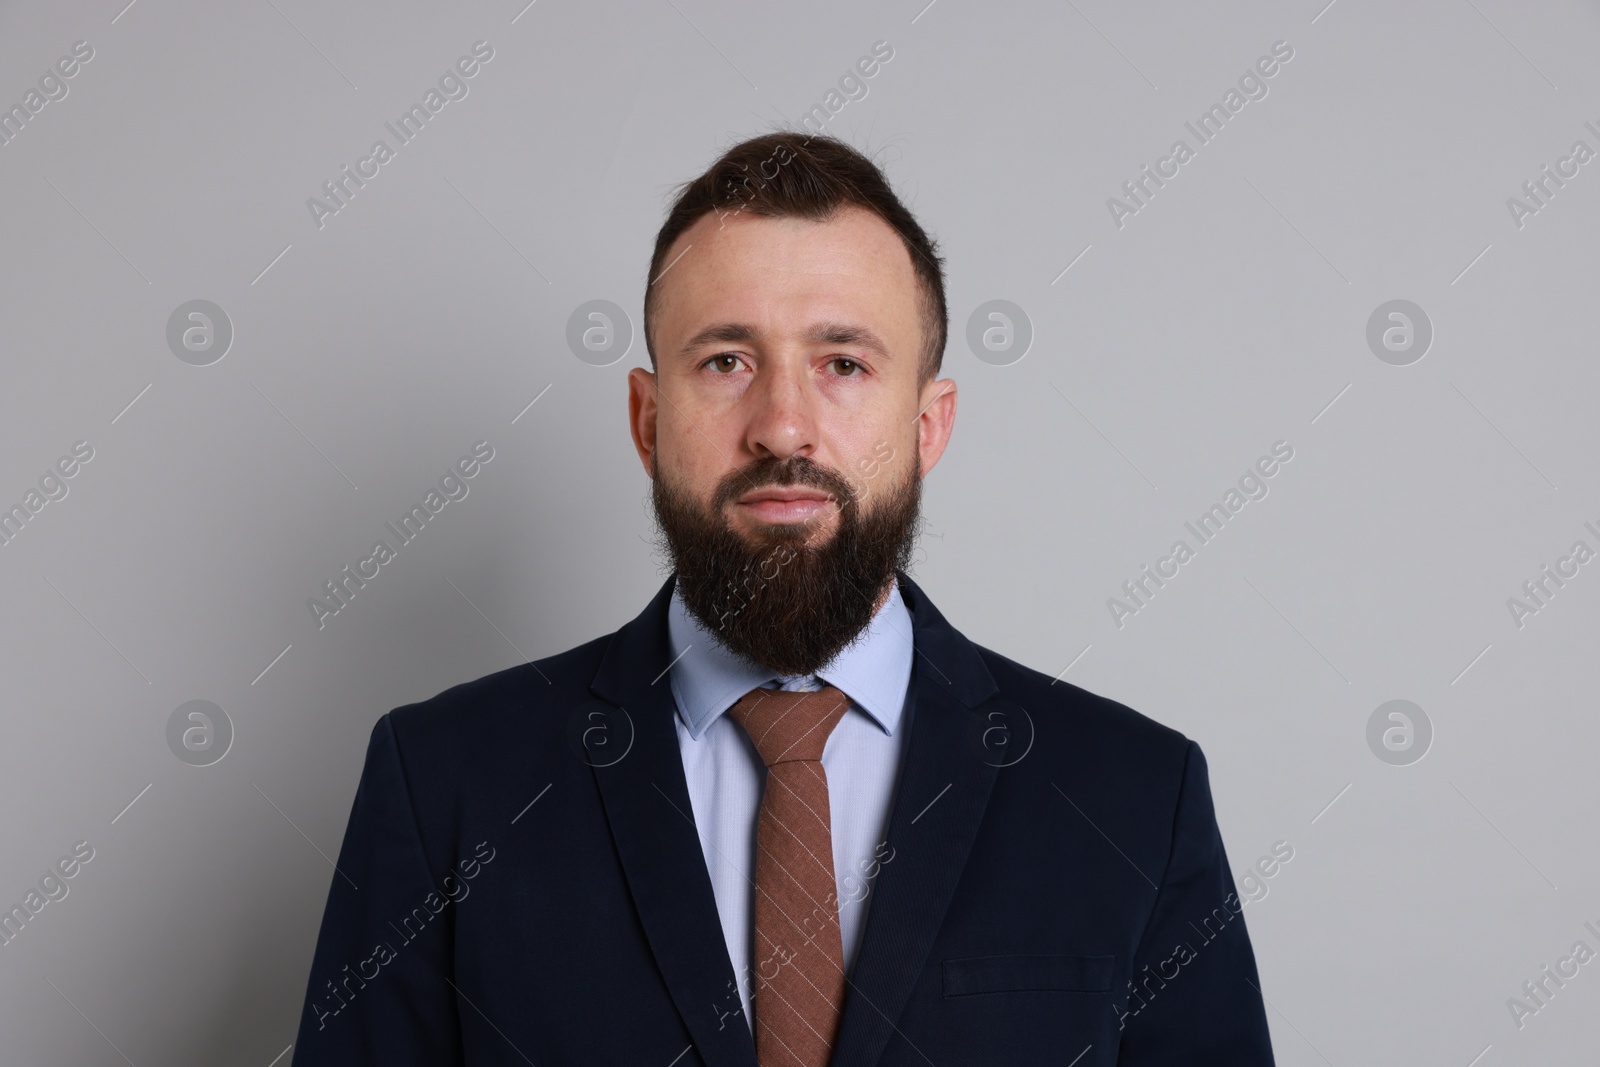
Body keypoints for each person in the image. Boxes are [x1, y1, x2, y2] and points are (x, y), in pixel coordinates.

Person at [291, 132, 1276, 1066]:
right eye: (726, 360)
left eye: (842, 362)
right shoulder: (445, 785)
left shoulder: (1135, 799)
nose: (781, 425)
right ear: (646, 418)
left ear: (929, 426)